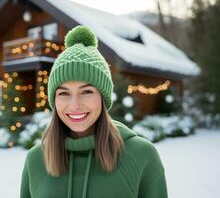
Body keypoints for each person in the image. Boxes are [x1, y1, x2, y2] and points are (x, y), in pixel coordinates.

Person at [20, 25, 168, 198]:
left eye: (86, 92)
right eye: (64, 93)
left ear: (102, 97)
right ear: (54, 100)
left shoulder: (141, 155)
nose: (74, 105)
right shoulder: (36, 159)